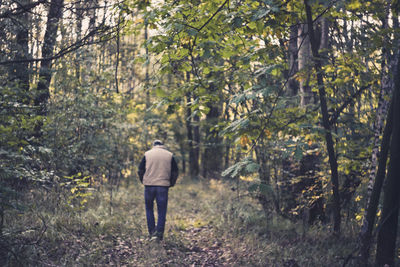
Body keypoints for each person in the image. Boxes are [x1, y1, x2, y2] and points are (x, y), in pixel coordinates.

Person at [138, 140, 179, 241]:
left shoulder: (147, 154)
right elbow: (175, 171)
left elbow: (140, 170)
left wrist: (143, 181)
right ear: (162, 145)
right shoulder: (169, 155)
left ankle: (152, 233)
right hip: (163, 186)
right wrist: (171, 183)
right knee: (162, 211)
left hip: (149, 186)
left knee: (149, 209)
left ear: (153, 145)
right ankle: (159, 234)